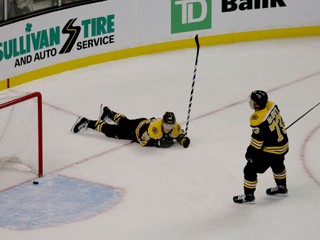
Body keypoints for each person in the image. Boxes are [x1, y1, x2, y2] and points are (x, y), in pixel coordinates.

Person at [233, 90, 289, 203]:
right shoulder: (271, 105)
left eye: (252, 101)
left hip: (272, 149)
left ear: (257, 104)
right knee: (277, 163)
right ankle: (282, 187)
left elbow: (257, 142)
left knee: (249, 169)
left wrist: (249, 153)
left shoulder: (257, 118)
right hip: (283, 144)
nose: (250, 102)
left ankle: (248, 196)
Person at [72, 105, 190, 148]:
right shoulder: (154, 130)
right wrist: (157, 144)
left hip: (143, 121)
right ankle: (87, 122)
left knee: (124, 122)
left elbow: (179, 134)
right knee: (113, 132)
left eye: (170, 125)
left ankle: (109, 112)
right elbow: (142, 141)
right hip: (137, 131)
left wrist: (183, 140)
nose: (168, 127)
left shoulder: (176, 127)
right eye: (166, 124)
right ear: (162, 122)